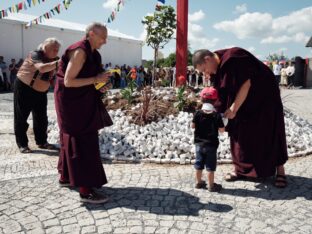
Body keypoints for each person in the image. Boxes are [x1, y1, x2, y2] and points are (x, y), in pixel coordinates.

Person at [192, 47, 288, 188]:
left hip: (264, 96)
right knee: (239, 131)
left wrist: (233, 108)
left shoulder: (233, 57)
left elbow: (246, 83)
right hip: (244, 99)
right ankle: (241, 169)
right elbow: (221, 90)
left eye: (204, 70)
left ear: (207, 59)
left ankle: (280, 171)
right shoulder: (217, 64)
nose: (206, 74)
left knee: (270, 129)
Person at [54, 22, 113, 204]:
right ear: (91, 34)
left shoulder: (94, 54)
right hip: (71, 101)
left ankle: (66, 177)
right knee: (81, 139)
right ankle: (85, 190)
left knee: (71, 137)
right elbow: (69, 81)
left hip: (82, 99)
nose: (105, 41)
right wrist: (96, 79)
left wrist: (102, 85)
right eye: (103, 36)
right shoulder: (80, 51)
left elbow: (89, 80)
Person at [14, 38, 61, 153]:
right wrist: (59, 63)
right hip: (25, 88)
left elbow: (55, 76)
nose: (56, 52)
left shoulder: (55, 59)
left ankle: (42, 142)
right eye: (53, 49)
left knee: (41, 118)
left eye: (57, 50)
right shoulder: (35, 54)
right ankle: (22, 144)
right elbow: (42, 68)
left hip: (41, 91)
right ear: (45, 48)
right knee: (21, 117)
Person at [191, 87, 225, 192]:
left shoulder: (197, 113)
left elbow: (192, 126)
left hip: (199, 144)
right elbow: (222, 130)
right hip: (211, 144)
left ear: (201, 99)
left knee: (198, 164)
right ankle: (211, 186)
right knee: (210, 166)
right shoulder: (217, 116)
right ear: (215, 101)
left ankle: (198, 182)